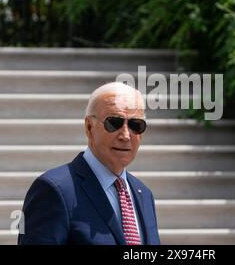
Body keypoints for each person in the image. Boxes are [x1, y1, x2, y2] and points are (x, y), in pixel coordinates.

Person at [18, 82, 160, 245]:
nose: (126, 135)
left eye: (136, 125)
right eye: (114, 123)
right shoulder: (54, 190)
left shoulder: (144, 194)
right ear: (89, 127)